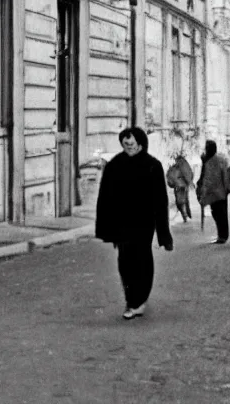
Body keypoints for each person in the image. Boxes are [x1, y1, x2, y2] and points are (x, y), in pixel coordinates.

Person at [95, 127, 173, 320]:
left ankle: (139, 299)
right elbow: (105, 198)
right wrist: (106, 228)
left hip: (144, 224)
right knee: (124, 263)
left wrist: (163, 233)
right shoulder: (115, 165)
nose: (128, 147)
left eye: (132, 143)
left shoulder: (152, 166)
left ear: (140, 143)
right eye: (125, 144)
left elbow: (160, 202)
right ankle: (131, 300)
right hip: (122, 224)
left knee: (142, 260)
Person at [199, 140, 230, 244]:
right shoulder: (208, 161)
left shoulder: (220, 160)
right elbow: (205, 177)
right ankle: (221, 235)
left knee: (220, 214)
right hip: (213, 193)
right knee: (216, 213)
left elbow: (227, 173)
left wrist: (228, 188)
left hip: (219, 192)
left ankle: (223, 236)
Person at [166, 155, 193, 222]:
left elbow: (169, 178)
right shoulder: (184, 165)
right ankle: (186, 214)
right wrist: (189, 182)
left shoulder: (174, 167)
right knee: (184, 200)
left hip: (178, 187)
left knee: (180, 202)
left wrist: (173, 184)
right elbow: (189, 174)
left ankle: (185, 215)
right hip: (183, 186)